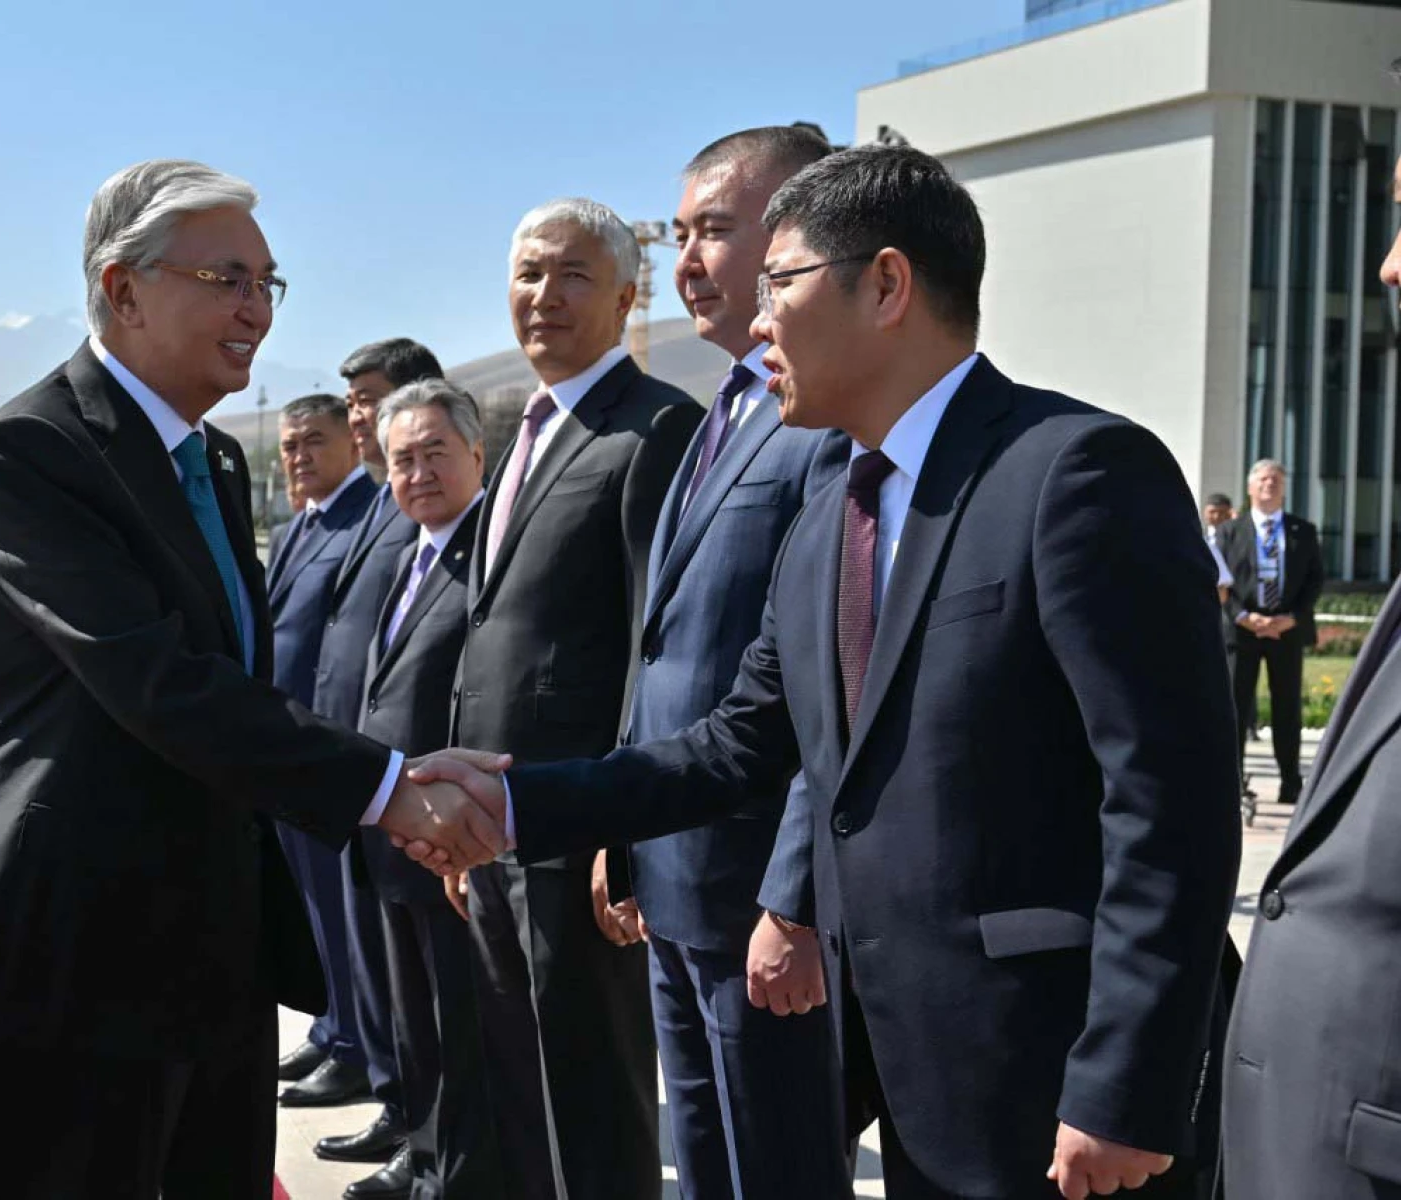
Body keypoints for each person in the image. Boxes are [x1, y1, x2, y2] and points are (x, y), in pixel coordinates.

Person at [417, 144, 1242, 1200]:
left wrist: (1128, 1083)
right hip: (904, 1068)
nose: (759, 324)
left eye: (781, 285)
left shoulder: (1074, 473)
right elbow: (735, 745)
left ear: (887, 286)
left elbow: (1170, 804)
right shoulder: (829, 517)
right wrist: (516, 802)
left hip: (1057, 1082)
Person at [0, 158, 502, 1199]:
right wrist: (385, 787)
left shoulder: (214, 462)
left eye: (268, 283)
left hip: (216, 941)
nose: (256, 310)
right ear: (123, 289)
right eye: (226, 279)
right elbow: (158, 680)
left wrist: (382, 777)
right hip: (80, 951)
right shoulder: (34, 452)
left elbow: (238, 675)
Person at [618, 123, 851, 1200]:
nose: (686, 262)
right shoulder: (728, 404)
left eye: (713, 229)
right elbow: (665, 640)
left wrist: (793, 898)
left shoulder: (826, 422)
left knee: (778, 1170)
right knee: (703, 1165)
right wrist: (625, 827)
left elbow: (827, 682)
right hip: (674, 872)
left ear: (796, 233)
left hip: (757, 898)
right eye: (678, 234)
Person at [451, 196, 701, 1199]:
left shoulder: (655, 429)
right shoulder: (524, 430)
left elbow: (654, 646)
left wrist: (621, 833)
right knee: (517, 1088)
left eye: (573, 276)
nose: (544, 295)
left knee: (590, 1101)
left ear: (627, 298)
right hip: (495, 828)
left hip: (577, 834)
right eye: (528, 273)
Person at [1222, 142, 1401, 1200]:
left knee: (1292, 727)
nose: (1387, 265)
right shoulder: (1235, 534)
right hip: (1306, 1133)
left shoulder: (1312, 533)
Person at [354, 379, 500, 1200]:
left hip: (454, 833)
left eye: (435, 453)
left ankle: (460, 1175)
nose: (417, 474)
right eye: (402, 460)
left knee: (460, 1021)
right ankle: (424, 1154)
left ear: (477, 453)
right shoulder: (408, 553)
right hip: (393, 831)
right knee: (414, 1015)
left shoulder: (493, 554)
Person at [307, 339, 445, 1193]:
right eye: (353, 401)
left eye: (369, 397)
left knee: (427, 991)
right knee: (384, 967)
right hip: (363, 772)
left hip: (416, 784)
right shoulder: (378, 502)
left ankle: (428, 1142)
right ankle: (405, 1115)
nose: (357, 414)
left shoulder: (425, 507)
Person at [267, 393, 383, 1109]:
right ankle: (330, 1023)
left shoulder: (369, 516)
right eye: (289, 445)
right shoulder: (296, 528)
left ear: (351, 442)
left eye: (314, 440)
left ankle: (357, 1046)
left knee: (343, 906)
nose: (299, 457)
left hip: (332, 742)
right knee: (310, 898)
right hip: (287, 748)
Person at [1217, 460, 1325, 808]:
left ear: (1284, 488)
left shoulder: (1303, 531)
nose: (1270, 484)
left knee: (1287, 709)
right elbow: (1218, 581)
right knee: (1235, 708)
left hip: (1285, 633)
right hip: (1241, 633)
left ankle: (1291, 783)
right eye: (1263, 479)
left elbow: (1315, 580)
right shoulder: (1229, 532)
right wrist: (1243, 616)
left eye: (1276, 479)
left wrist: (1291, 618)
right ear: (1250, 487)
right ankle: (1232, 783)